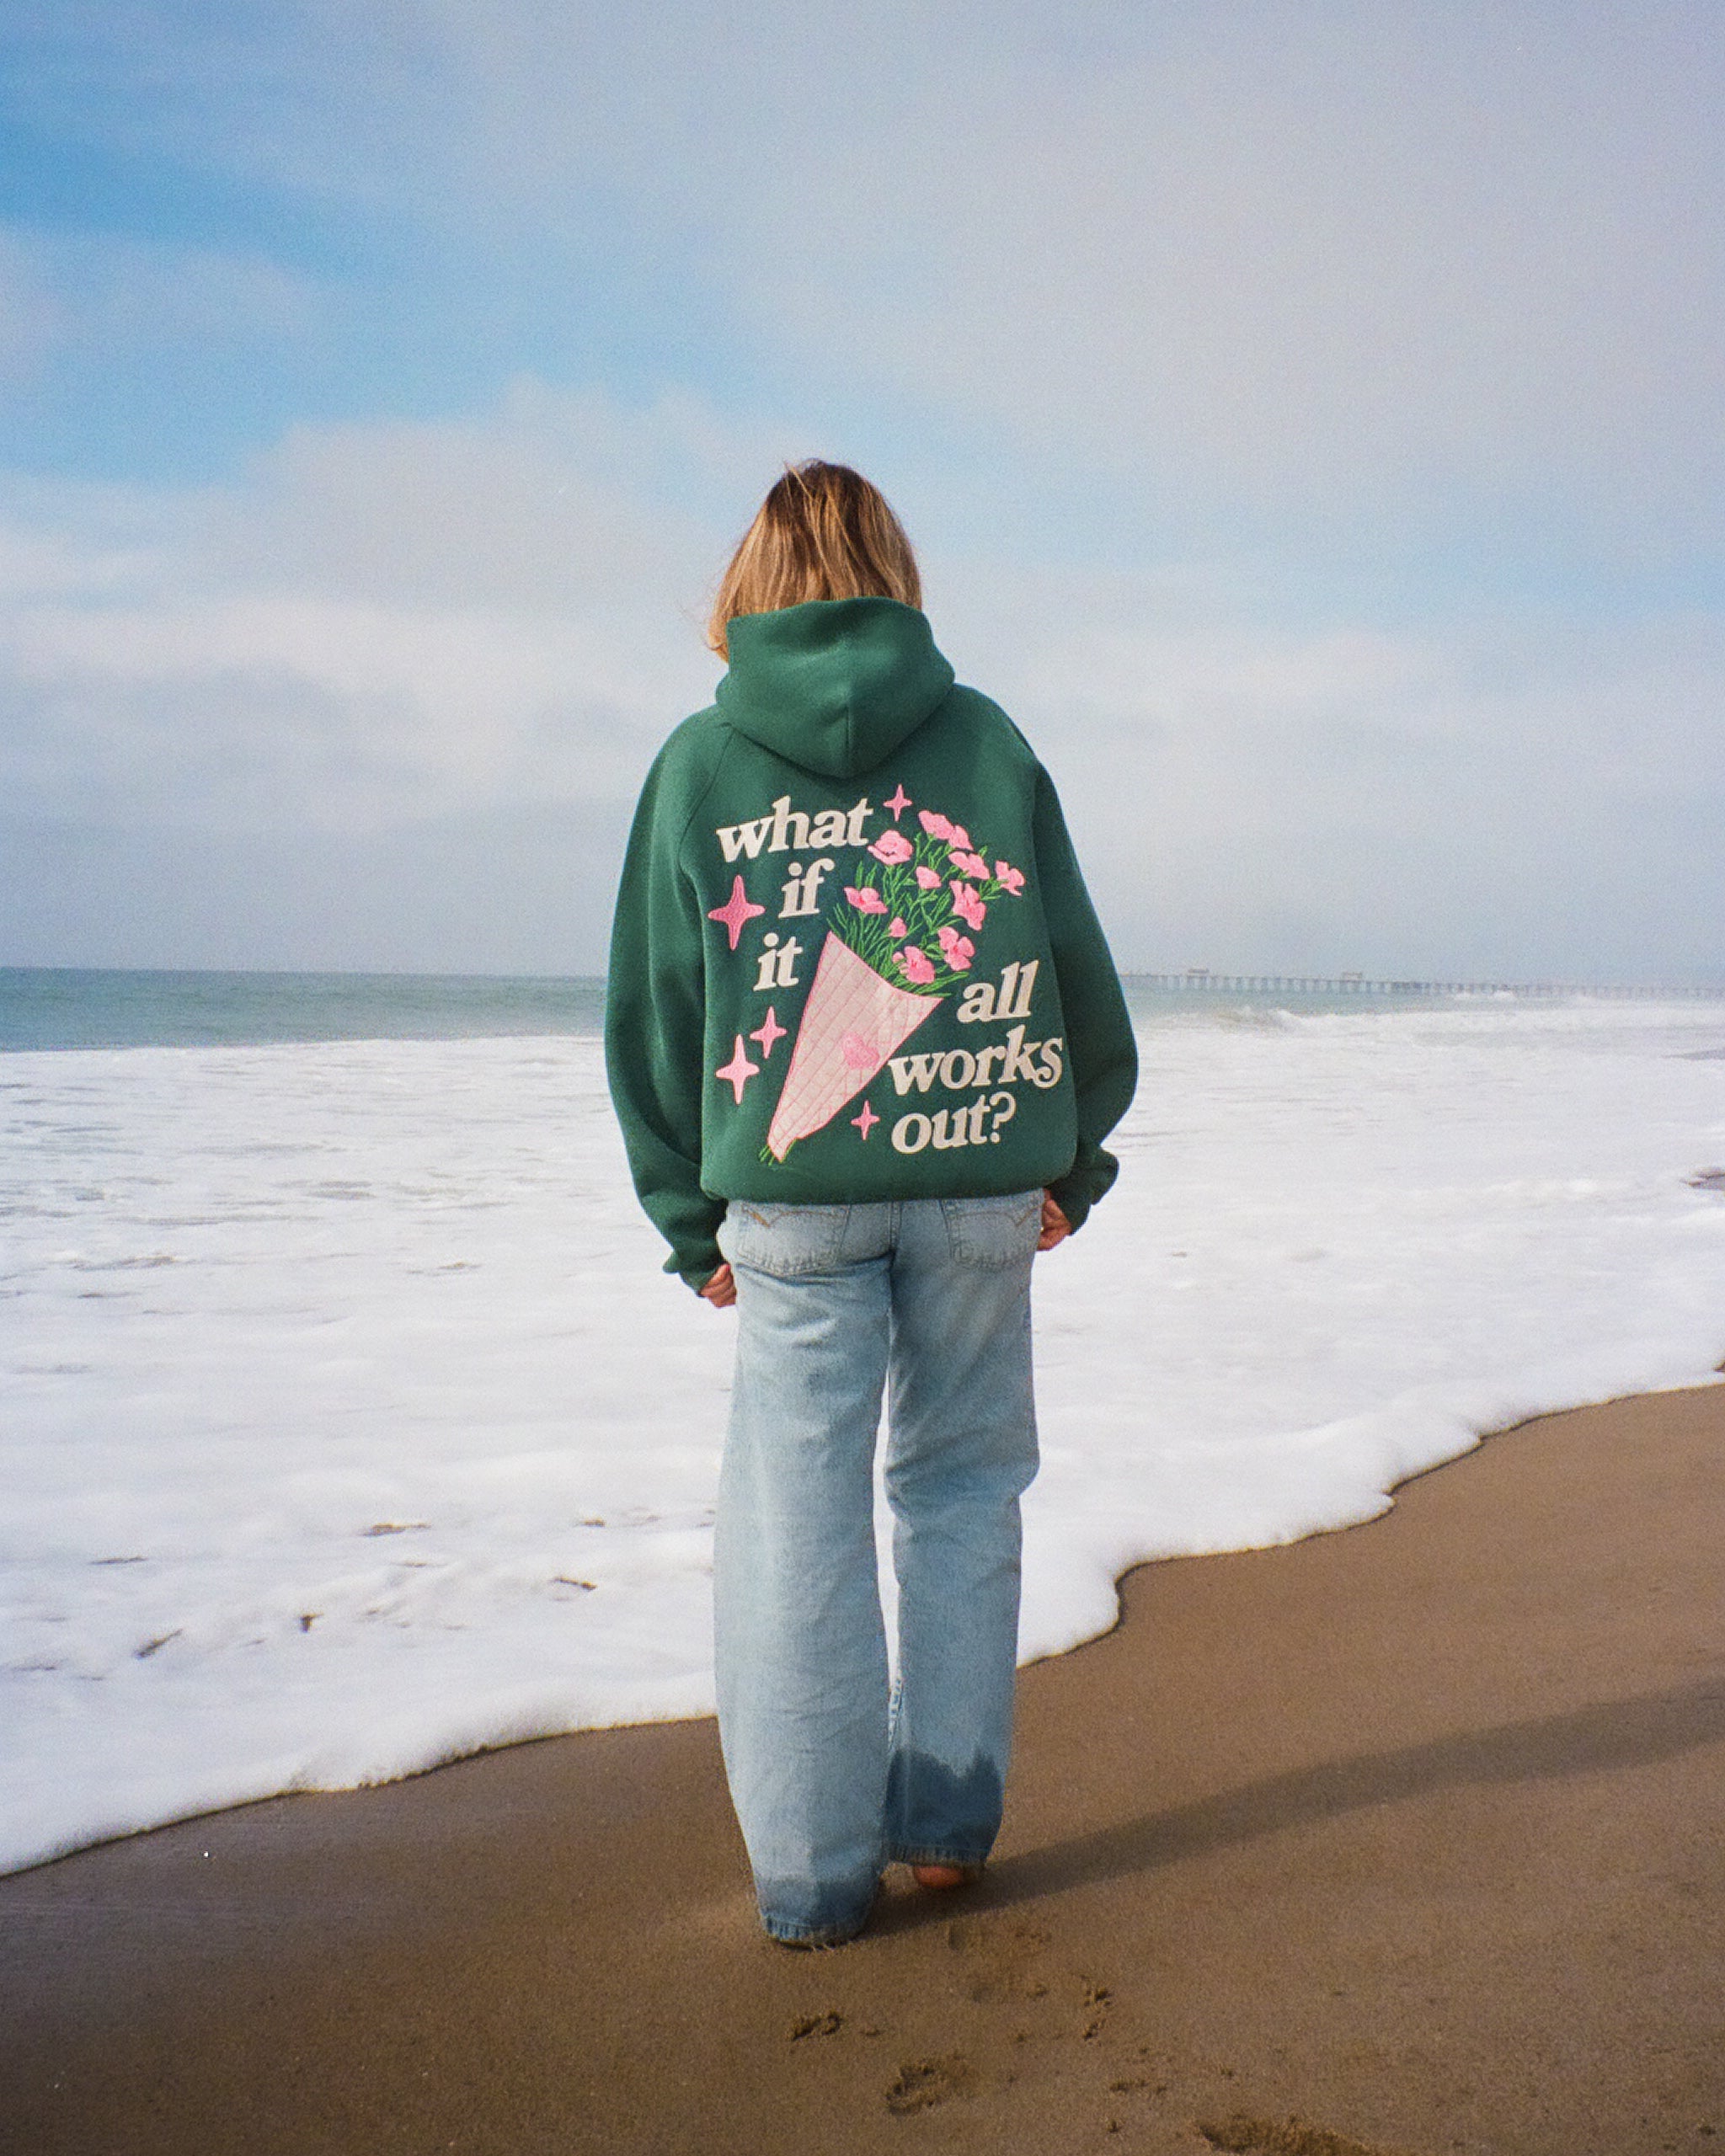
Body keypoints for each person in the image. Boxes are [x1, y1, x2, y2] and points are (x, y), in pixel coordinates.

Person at [605, 462, 1136, 1946]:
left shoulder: (700, 765)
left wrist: (685, 1217)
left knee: (799, 1529)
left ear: (745, 591)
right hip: (981, 1183)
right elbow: (1079, 970)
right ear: (894, 575)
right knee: (964, 1491)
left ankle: (817, 1880)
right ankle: (950, 1833)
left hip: (795, 1212)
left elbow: (654, 1013)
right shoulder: (985, 741)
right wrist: (1072, 1164)